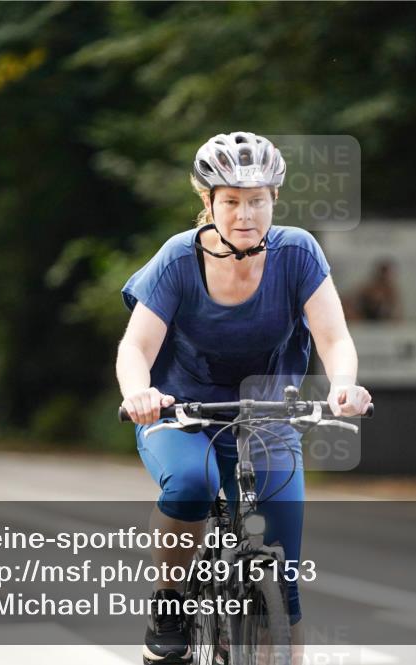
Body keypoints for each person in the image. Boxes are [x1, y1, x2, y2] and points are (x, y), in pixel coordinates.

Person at [117, 131, 371, 664]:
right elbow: (136, 347)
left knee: (285, 585)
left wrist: (343, 384)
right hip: (181, 415)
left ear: (274, 199)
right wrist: (140, 394)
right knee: (192, 484)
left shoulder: (297, 253)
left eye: (257, 200)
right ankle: (169, 606)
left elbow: (333, 338)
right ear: (208, 202)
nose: (245, 214)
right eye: (231, 200)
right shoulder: (178, 259)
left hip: (269, 417)